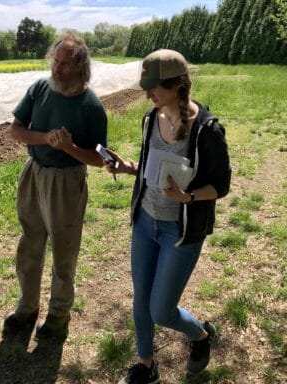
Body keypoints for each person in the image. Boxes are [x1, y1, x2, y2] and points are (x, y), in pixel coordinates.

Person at [104, 49, 231, 383]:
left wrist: (187, 197)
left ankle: (202, 335)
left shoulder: (207, 131)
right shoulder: (150, 118)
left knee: (161, 310)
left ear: (177, 85)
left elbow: (221, 186)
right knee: (141, 299)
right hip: (145, 223)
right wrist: (127, 167)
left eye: (154, 86)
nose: (148, 93)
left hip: (181, 231)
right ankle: (146, 366)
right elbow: (150, 169)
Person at [3, 31, 107, 341]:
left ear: (80, 67)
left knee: (64, 250)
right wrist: (45, 138)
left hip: (66, 182)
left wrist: (70, 147)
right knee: (30, 242)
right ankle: (27, 307)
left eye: (64, 64)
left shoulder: (91, 106)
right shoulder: (39, 89)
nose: (56, 69)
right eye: (55, 61)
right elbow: (16, 130)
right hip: (33, 173)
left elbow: (100, 158)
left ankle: (58, 316)